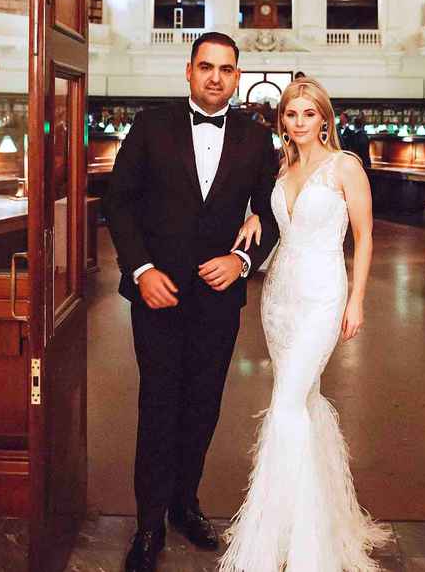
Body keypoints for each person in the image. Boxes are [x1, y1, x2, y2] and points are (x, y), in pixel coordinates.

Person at [105, 32, 280, 572]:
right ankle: (148, 524)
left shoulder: (257, 139)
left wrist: (243, 262)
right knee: (158, 405)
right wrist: (141, 269)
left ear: (238, 76)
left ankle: (185, 504)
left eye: (226, 69)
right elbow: (119, 202)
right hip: (156, 297)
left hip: (218, 301)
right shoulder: (151, 125)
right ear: (188, 71)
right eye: (206, 67)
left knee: (203, 407)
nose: (215, 77)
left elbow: (276, 213)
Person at [219, 77, 390, 572]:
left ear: (324, 119)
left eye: (308, 114)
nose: (299, 123)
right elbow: (275, 220)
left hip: (322, 294)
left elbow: (366, 235)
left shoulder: (345, 167)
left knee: (287, 402)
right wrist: (255, 217)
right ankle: (313, 520)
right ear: (283, 122)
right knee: (304, 401)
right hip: (279, 297)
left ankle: (286, 535)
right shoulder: (283, 166)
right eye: (291, 115)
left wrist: (356, 301)